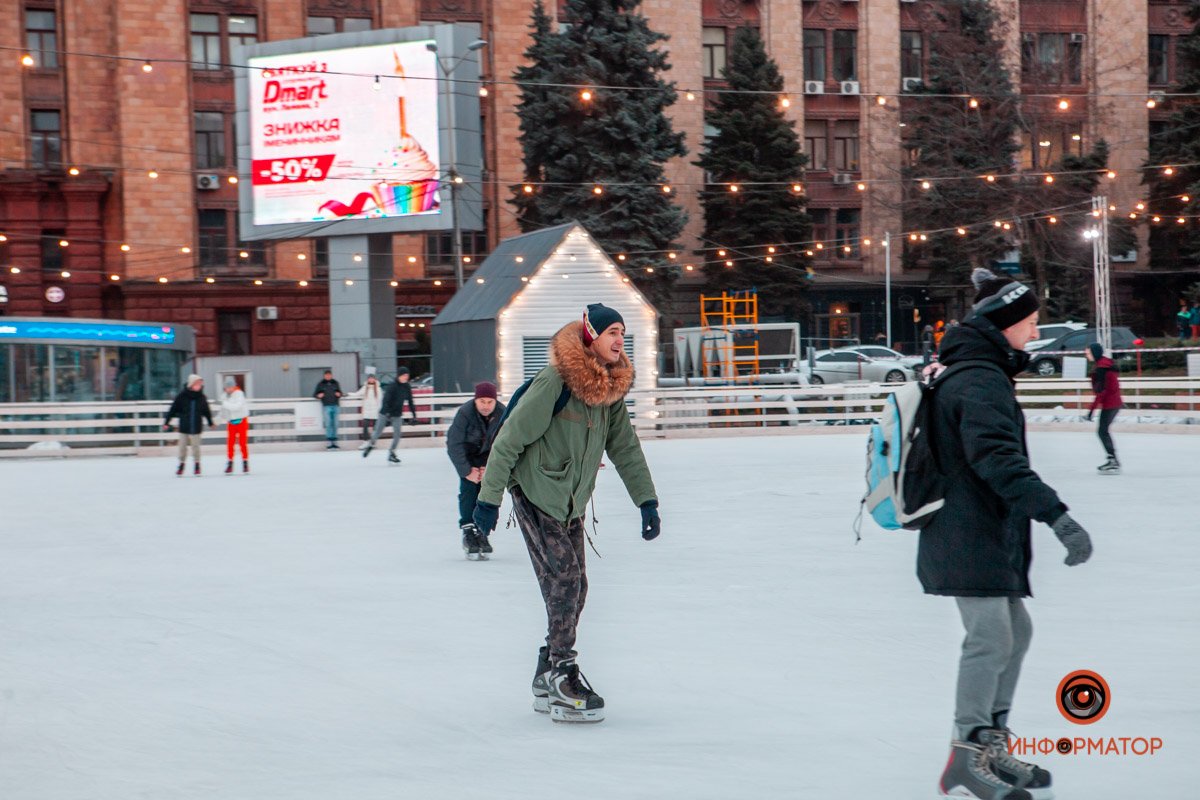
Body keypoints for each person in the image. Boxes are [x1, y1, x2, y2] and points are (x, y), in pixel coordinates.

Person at [923, 269, 1093, 800]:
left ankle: (990, 744)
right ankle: (967, 754)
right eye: (1030, 322)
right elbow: (996, 458)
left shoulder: (980, 370)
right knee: (991, 637)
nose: (1035, 332)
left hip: (982, 526)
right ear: (1005, 327)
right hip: (965, 527)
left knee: (1014, 634)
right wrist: (1057, 515)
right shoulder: (979, 378)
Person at [474, 303, 660, 724]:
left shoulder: (609, 389)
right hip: (536, 492)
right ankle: (562, 671)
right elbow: (507, 442)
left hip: (572, 500)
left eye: (623, 334)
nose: (619, 340)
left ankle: (547, 669)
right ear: (591, 335)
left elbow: (625, 447)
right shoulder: (556, 381)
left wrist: (646, 501)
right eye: (613, 331)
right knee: (565, 580)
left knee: (578, 587)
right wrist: (489, 501)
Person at [446, 381, 507, 558]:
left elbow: (506, 443)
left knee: (489, 494)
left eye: (490, 402)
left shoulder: (503, 414)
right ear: (475, 400)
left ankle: (483, 531)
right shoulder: (465, 413)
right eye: (482, 402)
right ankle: (468, 531)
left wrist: (490, 467)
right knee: (469, 491)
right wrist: (467, 471)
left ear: (495, 401)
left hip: (491, 459)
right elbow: (453, 444)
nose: (486, 406)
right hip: (468, 457)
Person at [362, 367, 417, 463]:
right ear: (399, 375)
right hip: (385, 413)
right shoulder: (392, 386)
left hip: (397, 414)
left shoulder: (407, 387)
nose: (406, 377)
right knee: (377, 432)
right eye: (404, 375)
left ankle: (392, 453)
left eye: (407, 375)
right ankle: (370, 445)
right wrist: (387, 414)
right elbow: (386, 400)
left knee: (397, 434)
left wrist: (414, 415)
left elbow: (410, 401)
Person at [163, 374, 214, 476]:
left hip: (196, 426)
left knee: (196, 447)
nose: (199, 386)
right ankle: (181, 465)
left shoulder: (202, 397)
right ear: (191, 384)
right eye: (197, 384)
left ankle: (197, 465)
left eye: (200, 384)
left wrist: (210, 422)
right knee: (182, 447)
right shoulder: (182, 396)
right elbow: (173, 409)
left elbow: (206, 411)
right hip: (184, 427)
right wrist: (167, 422)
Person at [1085, 342, 1123, 474]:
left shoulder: (1102, 369)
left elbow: (1101, 392)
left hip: (1110, 404)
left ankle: (1113, 461)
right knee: (1103, 431)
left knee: (1102, 431)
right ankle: (1112, 459)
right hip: (1114, 403)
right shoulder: (1105, 364)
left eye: (1088, 352)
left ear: (1094, 353)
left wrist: (1091, 410)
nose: (1086, 355)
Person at [220, 377, 250, 475]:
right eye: (226, 387)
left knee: (242, 442)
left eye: (230, 387)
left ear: (234, 386)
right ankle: (230, 463)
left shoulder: (239, 394)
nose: (228, 389)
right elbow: (223, 411)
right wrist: (215, 421)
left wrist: (224, 404)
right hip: (231, 422)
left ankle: (245, 462)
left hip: (242, 420)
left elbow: (237, 407)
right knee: (230, 443)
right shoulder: (224, 396)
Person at [313, 370, 343, 449]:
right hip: (326, 406)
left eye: (329, 375)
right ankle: (329, 441)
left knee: (335, 424)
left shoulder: (335, 383)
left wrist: (339, 394)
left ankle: (334, 441)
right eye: (326, 375)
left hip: (335, 405)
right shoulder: (321, 384)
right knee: (328, 424)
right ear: (324, 376)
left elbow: (340, 393)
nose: (328, 376)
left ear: (331, 375)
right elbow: (315, 395)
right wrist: (318, 395)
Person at [347, 373, 382, 440]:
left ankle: (373, 440)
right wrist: (349, 394)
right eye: (370, 378)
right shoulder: (365, 387)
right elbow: (357, 394)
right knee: (365, 425)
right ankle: (366, 440)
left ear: (374, 379)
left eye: (372, 378)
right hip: (367, 410)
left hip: (375, 410)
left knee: (375, 427)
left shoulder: (378, 388)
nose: (371, 379)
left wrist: (379, 409)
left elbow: (380, 400)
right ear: (368, 379)